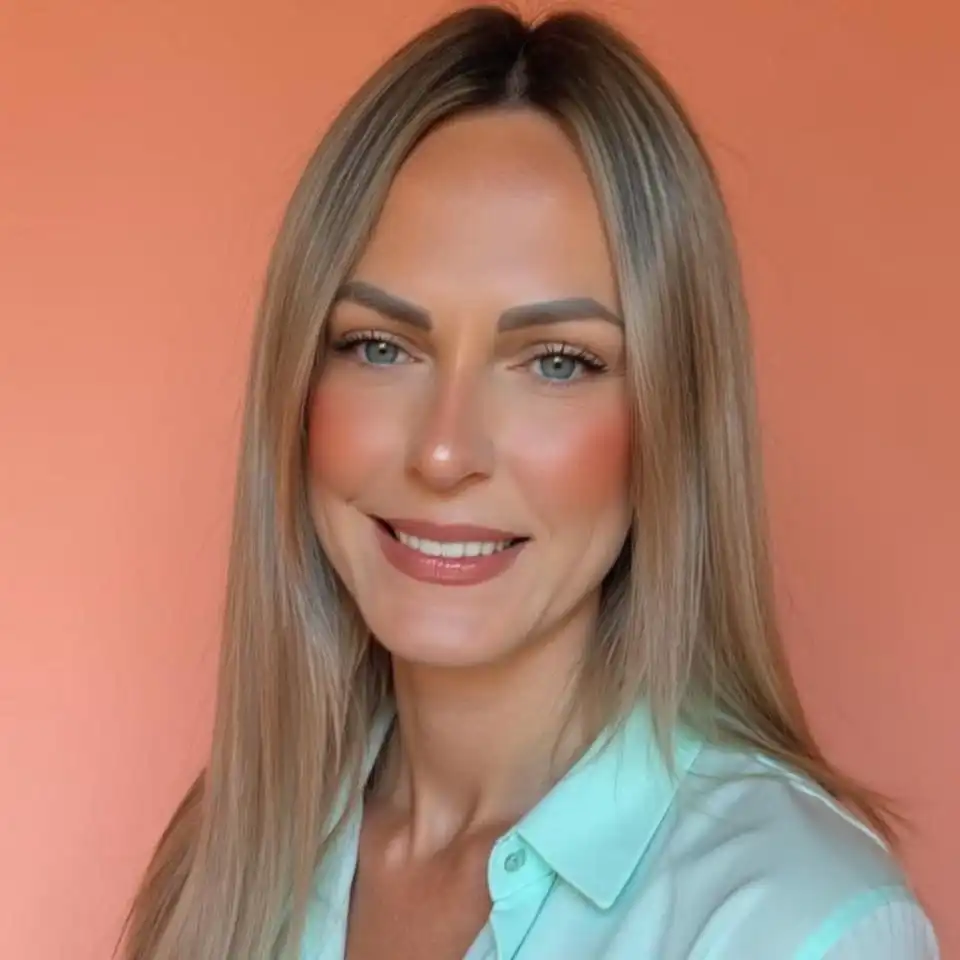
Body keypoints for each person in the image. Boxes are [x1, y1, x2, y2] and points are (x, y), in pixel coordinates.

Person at [121, 6, 939, 959]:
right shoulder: (228, 855)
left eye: (556, 361)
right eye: (380, 346)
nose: (442, 452)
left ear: (671, 423)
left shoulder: (794, 925)